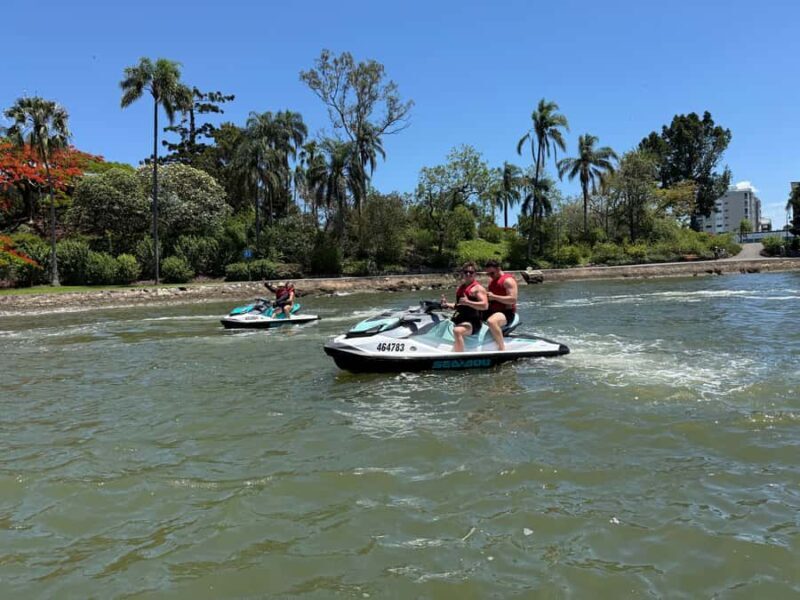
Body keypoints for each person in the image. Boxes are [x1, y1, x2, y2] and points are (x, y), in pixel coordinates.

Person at [440, 262, 488, 352]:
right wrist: (446, 305)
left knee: (457, 331)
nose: (468, 274)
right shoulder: (461, 288)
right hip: (460, 318)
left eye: (471, 272)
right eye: (466, 272)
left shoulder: (478, 289)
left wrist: (468, 302)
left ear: (475, 274)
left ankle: (459, 358)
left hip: (473, 322)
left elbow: (485, 305)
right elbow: (459, 306)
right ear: (462, 273)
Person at [483, 259, 518, 351]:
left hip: (506, 313)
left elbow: (512, 299)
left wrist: (494, 297)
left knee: (491, 322)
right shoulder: (492, 282)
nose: (490, 276)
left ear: (498, 269)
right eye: (488, 274)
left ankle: (502, 348)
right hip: (492, 310)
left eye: (492, 273)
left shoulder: (508, 281)